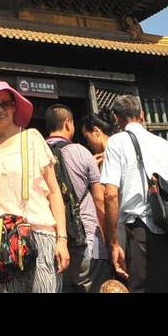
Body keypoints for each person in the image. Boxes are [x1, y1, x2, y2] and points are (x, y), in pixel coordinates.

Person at [99, 94, 168, 293]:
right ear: (142, 114)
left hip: (141, 229)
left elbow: (110, 194)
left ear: (116, 117)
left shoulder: (116, 142)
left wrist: (113, 242)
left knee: (145, 286)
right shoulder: (164, 144)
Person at [0, 81, 69, 292]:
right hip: (4, 243)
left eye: (5, 103)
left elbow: (54, 192)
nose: (0, 110)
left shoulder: (32, 138)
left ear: (14, 106)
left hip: (39, 234)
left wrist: (62, 238)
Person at [44, 104, 110, 292]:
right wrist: (110, 241)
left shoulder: (38, 153)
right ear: (68, 124)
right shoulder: (82, 152)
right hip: (88, 242)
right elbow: (99, 201)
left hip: (53, 245)